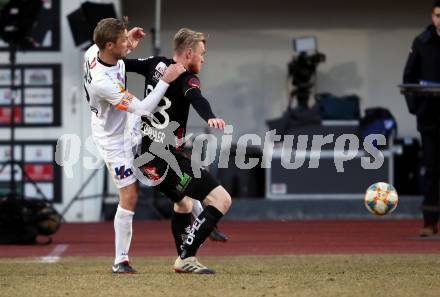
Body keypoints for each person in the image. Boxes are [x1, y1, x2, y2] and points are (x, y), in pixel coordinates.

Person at [124, 28, 232, 273]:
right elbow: (197, 98)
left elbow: (120, 62)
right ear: (190, 53)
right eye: (202, 53)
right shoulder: (186, 78)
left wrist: (128, 45)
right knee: (222, 199)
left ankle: (185, 258)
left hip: (146, 160)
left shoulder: (154, 64)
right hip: (166, 161)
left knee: (184, 204)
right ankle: (185, 258)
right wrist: (211, 117)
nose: (203, 59)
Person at [83, 17, 185, 273]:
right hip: (112, 139)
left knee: (162, 159)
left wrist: (129, 44)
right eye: (123, 40)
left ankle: (199, 212)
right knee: (129, 195)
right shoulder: (102, 82)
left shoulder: (96, 50)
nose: (127, 43)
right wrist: (166, 80)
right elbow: (142, 108)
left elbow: (117, 53)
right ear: (108, 45)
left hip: (126, 123)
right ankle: (120, 260)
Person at [403, 1, 440, 237]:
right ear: (432, 16)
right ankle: (429, 221)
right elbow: (409, 78)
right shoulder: (421, 42)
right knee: (432, 169)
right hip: (431, 118)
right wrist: (417, 108)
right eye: (438, 15)